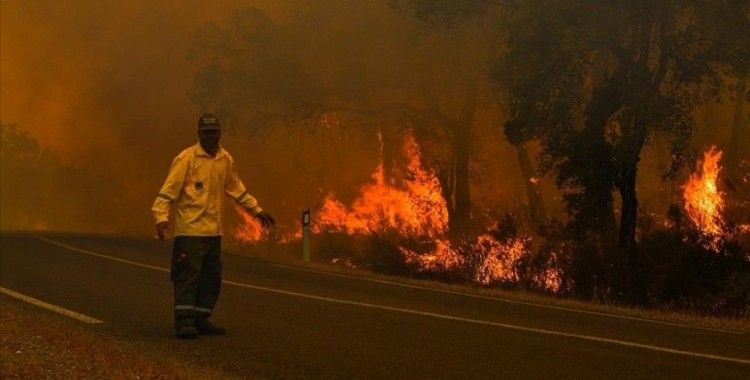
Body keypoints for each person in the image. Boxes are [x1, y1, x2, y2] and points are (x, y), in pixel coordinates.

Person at [152, 113, 275, 339]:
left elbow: (237, 189)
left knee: (210, 278)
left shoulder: (225, 159)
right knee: (187, 277)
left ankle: (202, 319)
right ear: (199, 134)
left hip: (214, 233)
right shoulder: (186, 159)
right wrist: (161, 218)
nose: (211, 137)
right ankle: (184, 322)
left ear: (220, 133)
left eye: (214, 132)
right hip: (189, 232)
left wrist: (257, 211)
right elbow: (167, 193)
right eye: (206, 133)